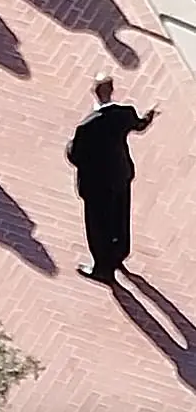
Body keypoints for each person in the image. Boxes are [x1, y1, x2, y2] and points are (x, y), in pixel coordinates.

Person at [66, 73, 158, 285]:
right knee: (120, 215)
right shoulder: (124, 113)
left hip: (97, 183)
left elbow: (76, 155)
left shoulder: (87, 126)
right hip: (120, 173)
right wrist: (148, 117)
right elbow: (139, 125)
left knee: (98, 224)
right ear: (112, 89)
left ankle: (102, 267)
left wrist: (69, 146)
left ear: (95, 93)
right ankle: (119, 253)